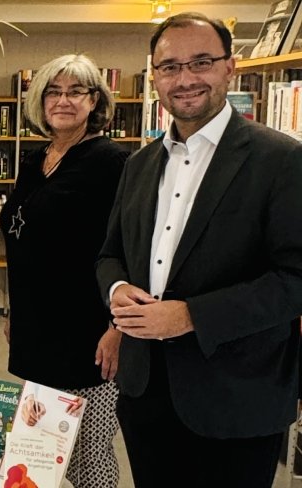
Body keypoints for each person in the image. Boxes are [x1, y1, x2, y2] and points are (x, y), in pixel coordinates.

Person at [98, 12, 302, 487]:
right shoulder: (138, 165)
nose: (185, 79)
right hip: (146, 393)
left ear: (230, 67)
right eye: (170, 67)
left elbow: (294, 279)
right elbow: (110, 255)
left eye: (201, 62)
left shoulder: (283, 160)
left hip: (237, 398)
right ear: (154, 78)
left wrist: (192, 316)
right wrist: (117, 289)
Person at [0, 53, 127, 488]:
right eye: (53, 91)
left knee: (88, 452)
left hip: (88, 333)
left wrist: (118, 328)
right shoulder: (35, 160)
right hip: (38, 328)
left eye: (76, 91)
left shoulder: (112, 162)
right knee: (41, 444)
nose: (63, 100)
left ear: (95, 100)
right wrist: (15, 310)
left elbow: (131, 248)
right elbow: (23, 238)